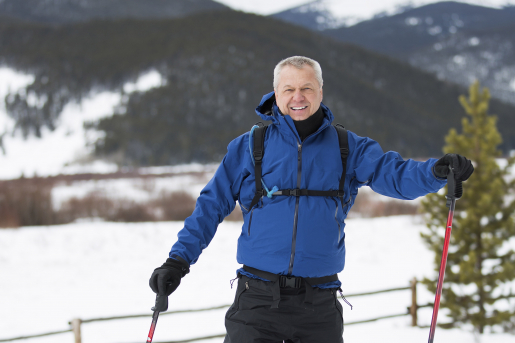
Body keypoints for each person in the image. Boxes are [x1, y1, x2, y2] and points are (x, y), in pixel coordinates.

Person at [149, 56, 474, 342]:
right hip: (258, 301)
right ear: (276, 94)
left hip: (319, 305)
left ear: (320, 91)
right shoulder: (251, 146)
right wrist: (178, 262)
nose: (298, 97)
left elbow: (396, 175)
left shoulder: (348, 147)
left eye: (307, 88)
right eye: (288, 89)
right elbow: (210, 206)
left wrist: (435, 171)